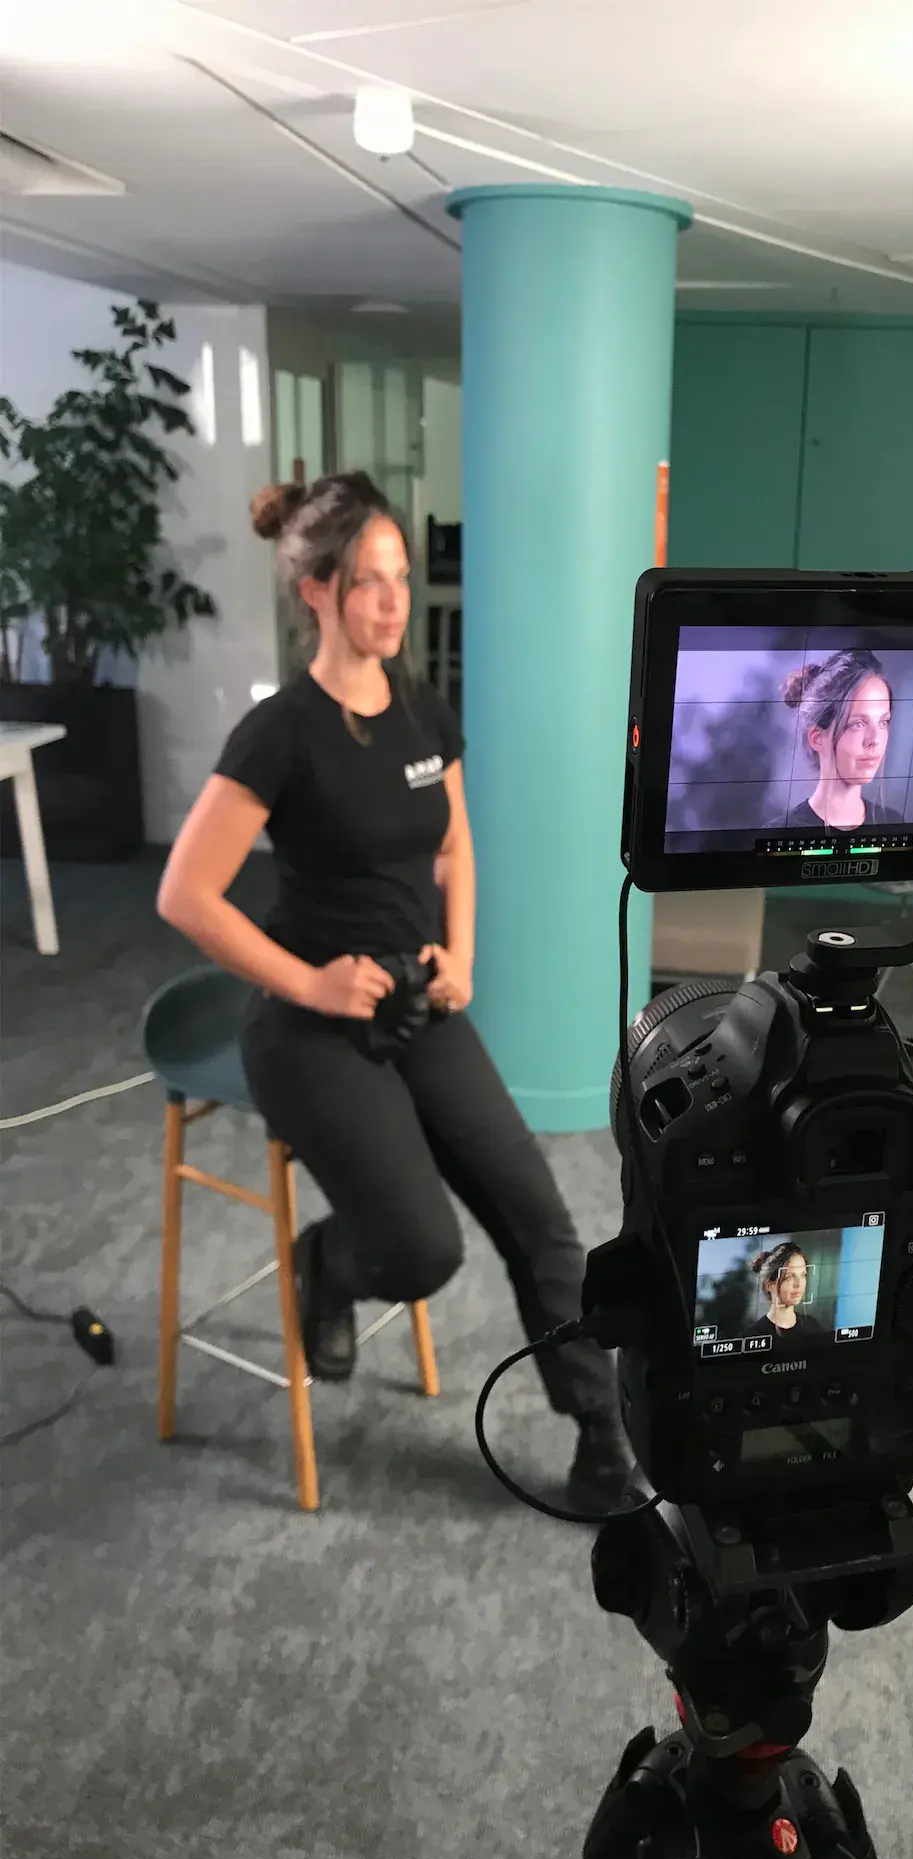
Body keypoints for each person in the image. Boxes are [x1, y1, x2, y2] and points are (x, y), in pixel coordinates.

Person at [157, 471, 632, 1516]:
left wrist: (460, 954)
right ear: (316, 591)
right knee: (420, 1250)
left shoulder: (422, 711)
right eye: (369, 583)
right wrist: (313, 983)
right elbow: (183, 894)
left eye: (402, 579)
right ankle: (326, 1264)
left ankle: (601, 1440)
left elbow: (454, 848)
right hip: (308, 1023)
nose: (393, 603)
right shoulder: (281, 731)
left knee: (541, 1219)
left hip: (417, 1000)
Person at [782, 649, 904, 830]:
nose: (874, 740)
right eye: (858, 724)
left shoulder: (894, 825)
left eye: (883, 722)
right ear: (817, 738)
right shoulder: (781, 833)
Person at [745, 1242, 828, 1347]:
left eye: (803, 1275)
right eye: (789, 1277)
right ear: (769, 1285)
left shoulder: (813, 1326)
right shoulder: (753, 1336)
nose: (798, 1284)